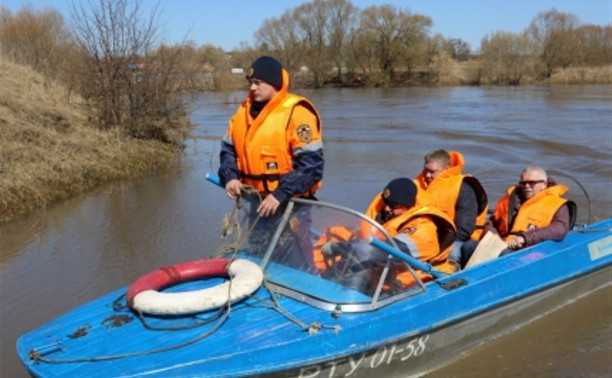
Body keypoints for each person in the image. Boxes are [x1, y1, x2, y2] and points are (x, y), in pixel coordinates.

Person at [217, 55, 323, 268]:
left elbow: (312, 166)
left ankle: (306, 288)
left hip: (291, 205)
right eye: (251, 83)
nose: (253, 88)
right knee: (256, 256)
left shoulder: (297, 113)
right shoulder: (242, 112)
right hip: (257, 202)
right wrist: (230, 177)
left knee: (298, 261)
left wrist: (280, 194)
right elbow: (228, 150)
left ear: (274, 84)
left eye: (258, 83)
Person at [460, 166, 576, 266]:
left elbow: (559, 229)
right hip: (503, 244)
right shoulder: (510, 200)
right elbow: (493, 221)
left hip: (531, 249)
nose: (526, 186)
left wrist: (524, 238)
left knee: (505, 255)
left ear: (543, 184)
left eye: (531, 183)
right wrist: (494, 238)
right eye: (523, 183)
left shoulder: (558, 205)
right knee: (468, 247)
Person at [363, 177, 457, 285]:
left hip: (414, 285)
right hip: (380, 282)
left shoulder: (424, 227)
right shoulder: (389, 217)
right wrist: (343, 246)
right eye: (385, 203)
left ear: (407, 206)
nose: (387, 209)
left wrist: (358, 251)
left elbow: (395, 251)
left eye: (393, 206)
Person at [414, 149, 488, 270]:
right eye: (425, 171)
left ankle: (452, 275)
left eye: (432, 172)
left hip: (457, 242)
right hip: (426, 238)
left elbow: (464, 229)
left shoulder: (464, 187)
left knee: (452, 253)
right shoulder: (419, 185)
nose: (427, 176)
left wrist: (439, 248)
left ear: (447, 168)